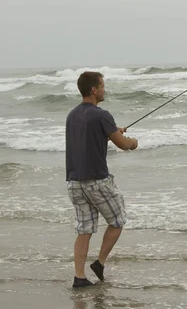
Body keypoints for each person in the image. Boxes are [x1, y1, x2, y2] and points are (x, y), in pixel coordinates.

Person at [65, 71, 138, 288]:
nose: (104, 89)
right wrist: (133, 141)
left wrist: (112, 131)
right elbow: (124, 145)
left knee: (84, 230)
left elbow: (89, 134)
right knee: (118, 220)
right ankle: (100, 262)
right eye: (102, 86)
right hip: (97, 181)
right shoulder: (102, 115)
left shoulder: (72, 115)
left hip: (74, 182)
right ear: (94, 90)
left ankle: (79, 277)